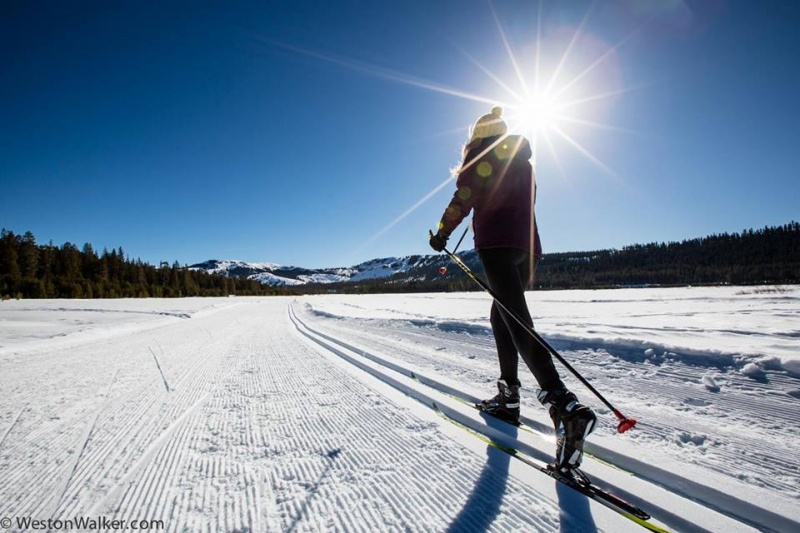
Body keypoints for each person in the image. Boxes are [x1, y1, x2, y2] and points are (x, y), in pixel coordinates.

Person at [429, 106, 596, 472]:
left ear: (478, 136)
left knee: (517, 321)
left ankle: (564, 407)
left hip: (497, 246)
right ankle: (508, 397)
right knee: (502, 316)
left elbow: (463, 200)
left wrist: (441, 234)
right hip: (526, 249)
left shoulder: (480, 158)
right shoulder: (525, 162)